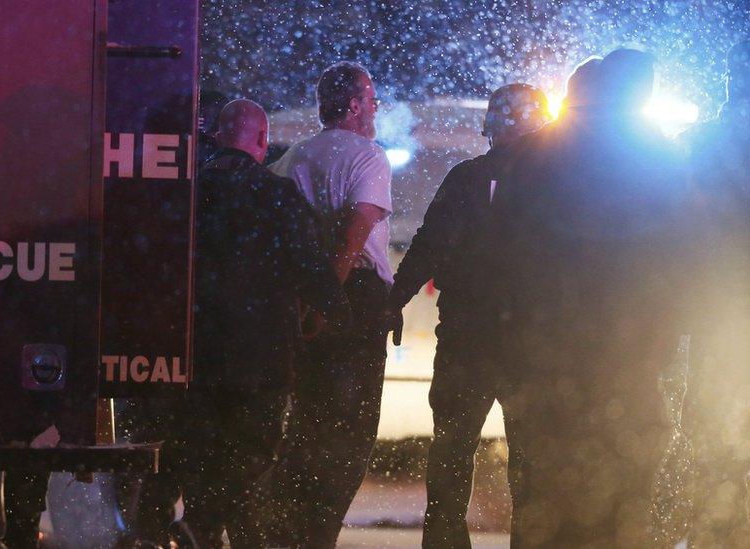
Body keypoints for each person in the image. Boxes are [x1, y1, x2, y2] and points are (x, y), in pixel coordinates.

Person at [486, 49, 688, 547]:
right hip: (625, 349)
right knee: (623, 485)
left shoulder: (536, 155)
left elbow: (505, 247)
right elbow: (676, 248)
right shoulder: (655, 156)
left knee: (544, 483)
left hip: (549, 346)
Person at [152, 99, 349, 548]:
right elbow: (310, 266)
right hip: (261, 352)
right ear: (262, 141)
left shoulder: (187, 191)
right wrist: (339, 312)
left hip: (193, 348)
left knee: (200, 448)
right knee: (253, 451)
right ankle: (203, 527)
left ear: (218, 137)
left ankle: (210, 530)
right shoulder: (277, 195)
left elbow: (156, 259)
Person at [387, 83, 551, 548]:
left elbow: (428, 246)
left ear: (491, 127)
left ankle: (443, 542)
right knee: (531, 462)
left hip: (466, 339)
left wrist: (393, 300)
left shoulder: (466, 178)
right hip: (531, 342)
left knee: (451, 452)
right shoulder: (560, 185)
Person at [268, 61, 394, 548]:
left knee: (305, 422)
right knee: (351, 431)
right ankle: (316, 533)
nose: (376, 109)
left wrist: (302, 298)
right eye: (373, 99)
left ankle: (286, 528)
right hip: (351, 298)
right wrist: (328, 300)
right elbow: (356, 231)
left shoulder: (293, 157)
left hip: (296, 293)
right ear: (357, 105)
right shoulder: (368, 157)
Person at [680, 40, 750, 547]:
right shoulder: (703, 142)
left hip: (710, 308)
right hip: (720, 308)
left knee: (708, 431)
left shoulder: (698, 141)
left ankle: (715, 527)